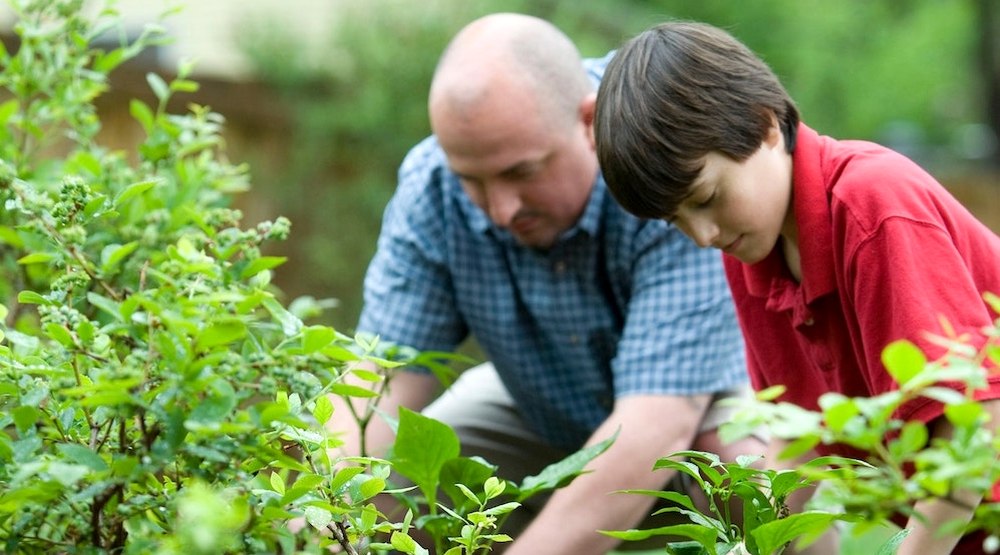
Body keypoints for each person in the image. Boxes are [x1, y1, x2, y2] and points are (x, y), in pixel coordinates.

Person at [334, 12, 762, 555]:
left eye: (521, 172)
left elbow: (656, 425)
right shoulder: (432, 187)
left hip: (700, 396)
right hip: (540, 403)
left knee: (740, 472)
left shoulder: (660, 151)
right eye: (473, 179)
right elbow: (381, 380)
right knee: (403, 476)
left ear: (588, 121)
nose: (499, 209)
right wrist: (324, 524)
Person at [593, 20, 1000, 555]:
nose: (703, 235)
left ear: (764, 126)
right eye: (675, 221)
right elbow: (794, 444)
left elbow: (975, 421)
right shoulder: (751, 251)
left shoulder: (870, 206)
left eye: (707, 196)